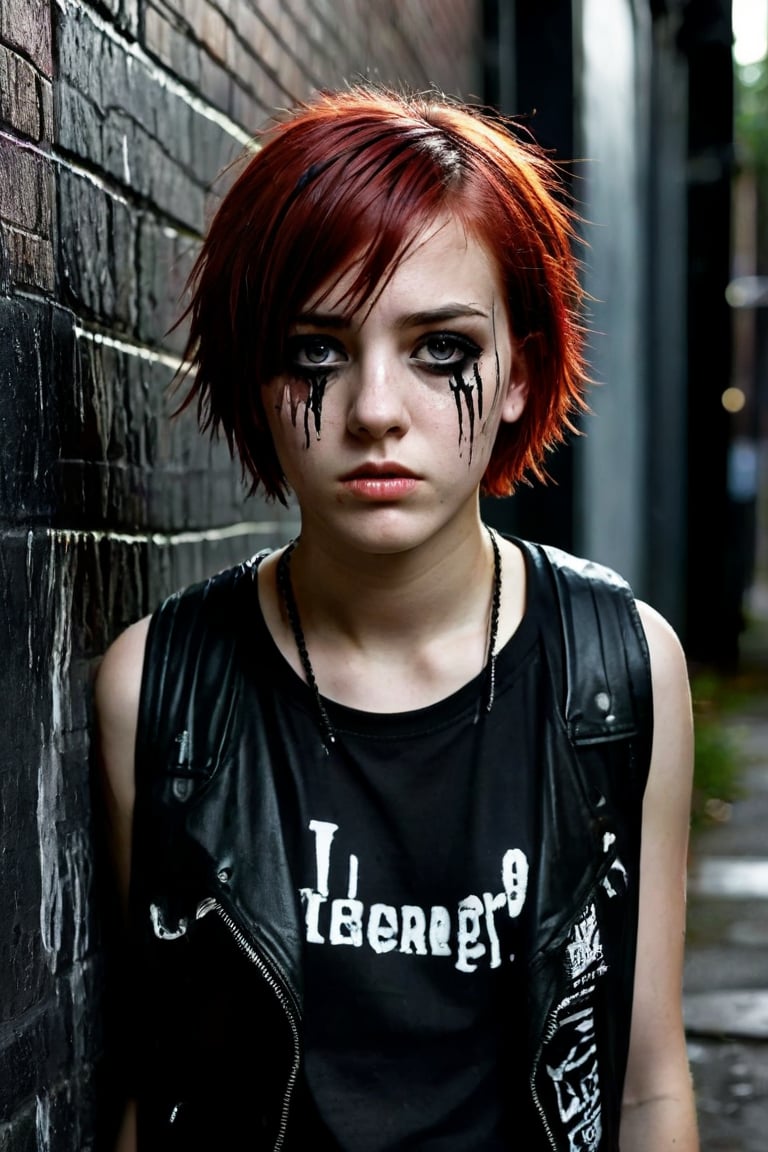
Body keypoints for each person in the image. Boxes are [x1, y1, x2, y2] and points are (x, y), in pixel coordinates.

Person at [94, 84, 700, 1152]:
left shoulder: (620, 671)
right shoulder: (162, 694)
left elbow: (645, 1082)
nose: (375, 409)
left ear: (518, 370)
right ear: (257, 371)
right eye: (316, 351)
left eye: (440, 349)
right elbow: (157, 1090)